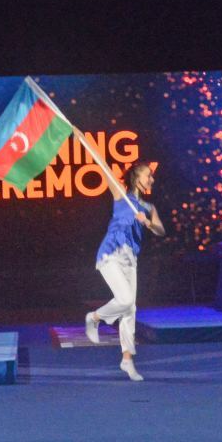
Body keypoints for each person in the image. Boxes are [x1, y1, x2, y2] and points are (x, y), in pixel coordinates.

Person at [84, 163, 165, 382]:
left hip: (131, 260)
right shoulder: (121, 196)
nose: (152, 180)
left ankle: (127, 360)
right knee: (126, 299)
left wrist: (147, 222)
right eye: (149, 175)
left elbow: (160, 230)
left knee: (130, 309)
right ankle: (95, 317)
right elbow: (104, 169)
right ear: (137, 177)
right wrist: (81, 136)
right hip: (111, 254)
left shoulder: (149, 207)